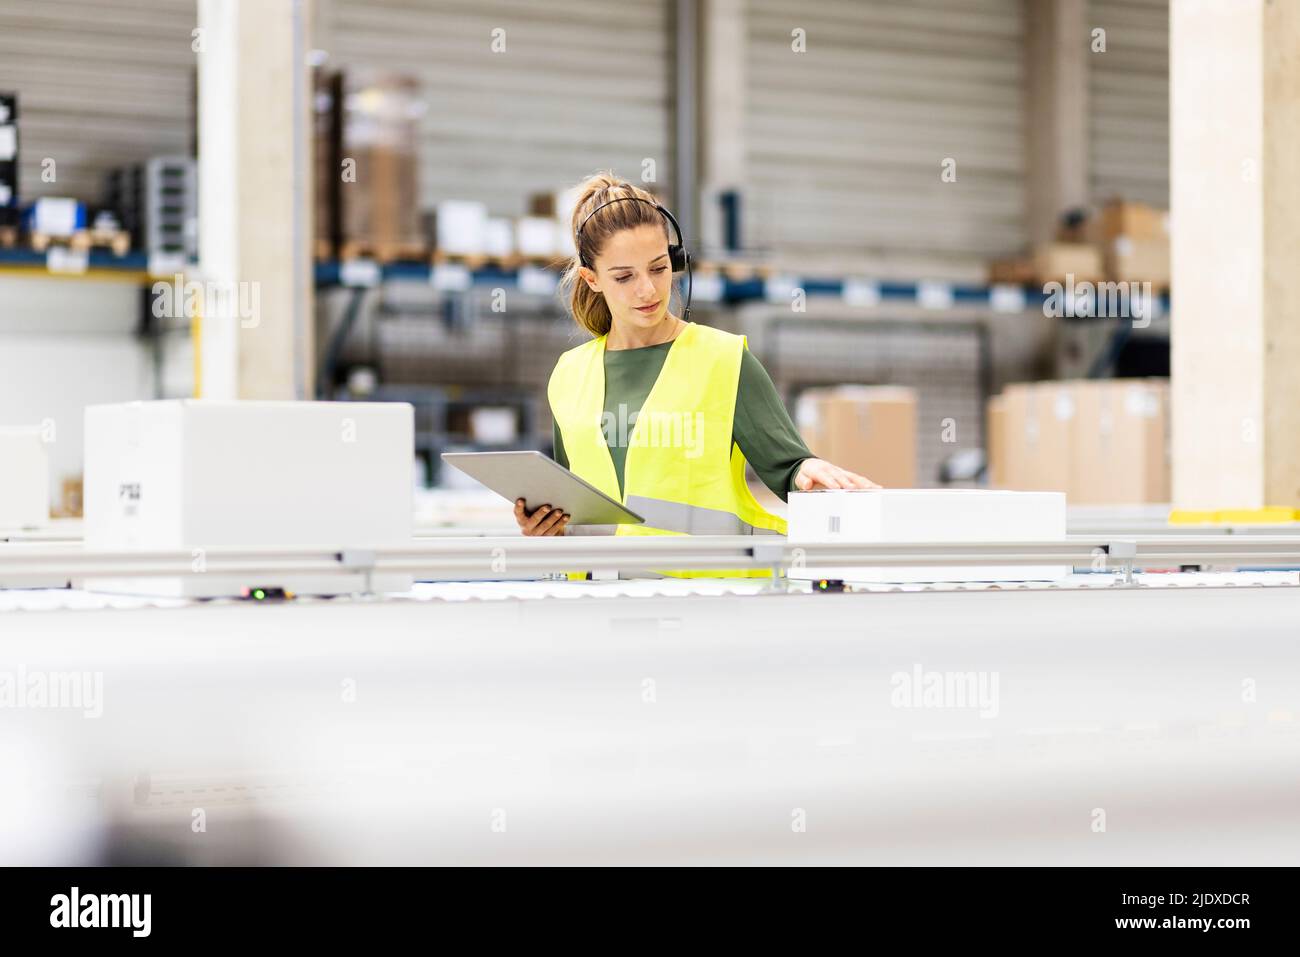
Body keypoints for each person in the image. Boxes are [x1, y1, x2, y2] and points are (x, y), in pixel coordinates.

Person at [515, 173, 878, 572]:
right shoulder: (569, 375)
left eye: (658, 269)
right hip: (599, 606)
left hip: (705, 603)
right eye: (624, 277)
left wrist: (807, 472)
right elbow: (572, 505)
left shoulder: (724, 360)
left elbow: (788, 468)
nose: (648, 290)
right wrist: (545, 526)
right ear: (592, 279)